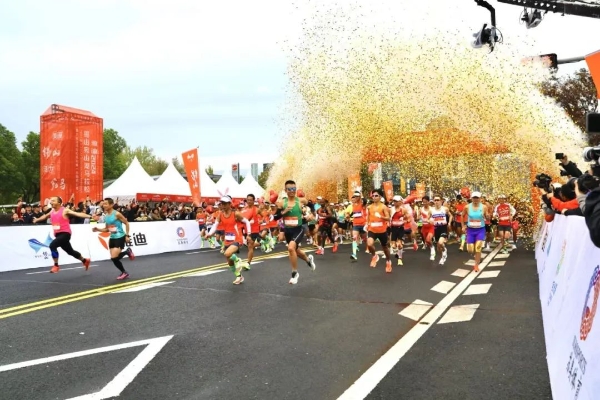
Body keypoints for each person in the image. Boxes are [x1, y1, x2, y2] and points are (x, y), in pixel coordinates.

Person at [32, 196, 92, 273]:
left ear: (59, 203)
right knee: (70, 252)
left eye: (53, 201)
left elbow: (78, 214)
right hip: (57, 235)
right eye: (51, 201)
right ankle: (85, 260)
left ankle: (56, 266)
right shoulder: (52, 211)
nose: (51, 202)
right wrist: (37, 219)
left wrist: (90, 216)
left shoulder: (65, 210)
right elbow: (45, 216)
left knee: (52, 245)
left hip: (65, 234)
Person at [275, 180, 316, 284]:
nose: (292, 191)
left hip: (298, 228)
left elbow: (312, 206)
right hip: (288, 230)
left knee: (291, 248)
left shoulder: (301, 200)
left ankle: (294, 274)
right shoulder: (282, 203)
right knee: (296, 251)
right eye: (290, 189)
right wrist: (284, 211)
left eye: (294, 189)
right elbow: (276, 217)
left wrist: (311, 215)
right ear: (285, 190)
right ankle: (308, 261)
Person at [206, 196, 252, 285]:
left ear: (230, 204)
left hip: (237, 239)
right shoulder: (220, 215)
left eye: (225, 204)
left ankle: (238, 260)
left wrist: (249, 234)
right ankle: (239, 276)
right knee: (230, 263)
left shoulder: (236, 214)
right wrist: (210, 234)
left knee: (227, 253)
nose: (223, 205)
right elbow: (215, 225)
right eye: (222, 204)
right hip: (227, 240)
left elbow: (246, 222)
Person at [92, 198, 135, 280]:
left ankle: (127, 252)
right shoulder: (106, 216)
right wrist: (98, 229)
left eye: (106, 204)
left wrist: (127, 235)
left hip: (120, 237)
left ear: (111, 205)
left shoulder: (117, 214)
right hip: (112, 237)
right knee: (113, 258)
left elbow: (126, 223)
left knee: (114, 257)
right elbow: (107, 229)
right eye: (103, 204)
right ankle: (124, 272)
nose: (104, 205)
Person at [461, 192, 491, 272]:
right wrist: (463, 226)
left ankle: (476, 265)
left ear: (480, 198)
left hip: (480, 230)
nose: (475, 199)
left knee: (478, 247)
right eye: (474, 198)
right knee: (470, 250)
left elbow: (487, 217)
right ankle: (477, 255)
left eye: (477, 198)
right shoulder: (467, 207)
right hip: (470, 230)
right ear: (471, 198)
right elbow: (462, 215)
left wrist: (488, 217)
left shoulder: (484, 207)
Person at [365, 189, 392, 272]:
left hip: (382, 231)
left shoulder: (383, 207)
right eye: (373, 196)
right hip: (372, 229)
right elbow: (368, 218)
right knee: (369, 244)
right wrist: (366, 224)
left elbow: (388, 218)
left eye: (376, 195)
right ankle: (374, 256)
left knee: (385, 248)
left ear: (380, 197)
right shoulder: (369, 207)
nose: (374, 197)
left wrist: (381, 217)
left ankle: (388, 261)